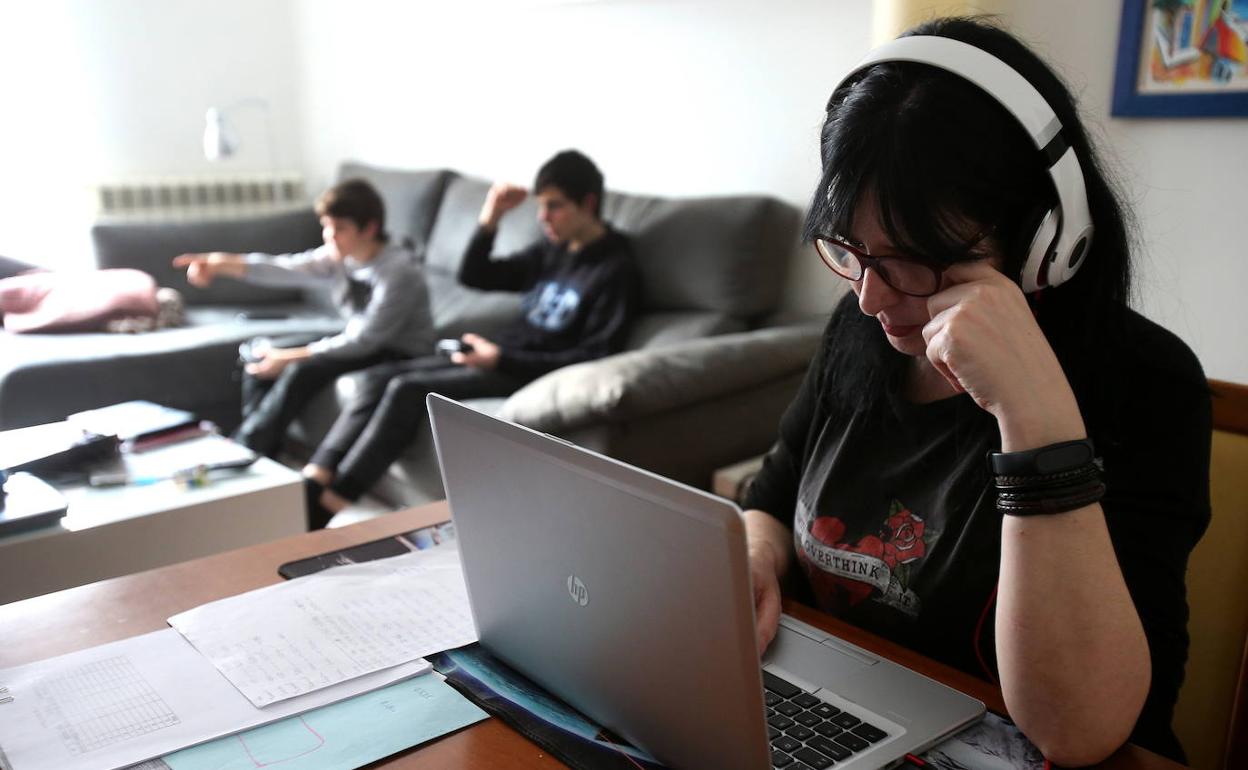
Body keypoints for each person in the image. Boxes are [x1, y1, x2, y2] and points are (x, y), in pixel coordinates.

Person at [743, 17, 1210, 767]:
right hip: (850, 715)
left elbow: (1081, 730)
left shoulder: (1148, 384)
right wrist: (756, 560)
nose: (869, 296)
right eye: (852, 250)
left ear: (1043, 249)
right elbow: (768, 496)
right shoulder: (862, 328)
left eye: (914, 259)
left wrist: (1035, 417)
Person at [301, 150, 639, 526]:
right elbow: (476, 275)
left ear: (588, 203)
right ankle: (320, 473)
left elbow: (594, 354)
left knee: (406, 388)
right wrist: (491, 216)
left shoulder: (615, 267)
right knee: (379, 375)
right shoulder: (552, 250)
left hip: (527, 372)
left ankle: (330, 502)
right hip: (497, 353)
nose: (543, 217)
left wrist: (501, 360)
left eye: (554, 207)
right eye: (541, 207)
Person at [172, 179, 434, 464]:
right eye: (326, 226)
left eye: (340, 228)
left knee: (299, 370)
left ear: (369, 228)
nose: (330, 236)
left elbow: (366, 340)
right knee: (260, 353)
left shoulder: (398, 272)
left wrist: (289, 358)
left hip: (399, 353)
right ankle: (261, 451)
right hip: (363, 343)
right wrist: (218, 263)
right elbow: (284, 268)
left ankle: (246, 450)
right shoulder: (341, 257)